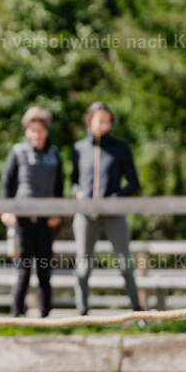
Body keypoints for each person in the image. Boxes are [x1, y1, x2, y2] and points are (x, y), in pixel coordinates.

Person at [70, 101, 142, 314]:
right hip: (85, 215)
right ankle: (81, 314)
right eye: (100, 120)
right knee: (83, 265)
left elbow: (133, 183)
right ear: (89, 121)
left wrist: (113, 199)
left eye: (107, 121)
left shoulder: (121, 148)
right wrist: (78, 193)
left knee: (124, 264)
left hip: (114, 215)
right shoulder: (79, 149)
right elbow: (73, 181)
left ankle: (138, 311)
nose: (104, 125)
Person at [0, 107, 63, 317]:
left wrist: (58, 212)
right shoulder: (17, 152)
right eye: (32, 130)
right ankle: (16, 319)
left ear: (46, 131)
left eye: (40, 130)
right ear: (27, 131)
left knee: (45, 273)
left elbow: (60, 187)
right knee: (23, 273)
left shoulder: (54, 154)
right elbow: (6, 184)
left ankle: (46, 319)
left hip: (46, 223)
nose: (36, 135)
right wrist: (6, 210)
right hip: (22, 223)